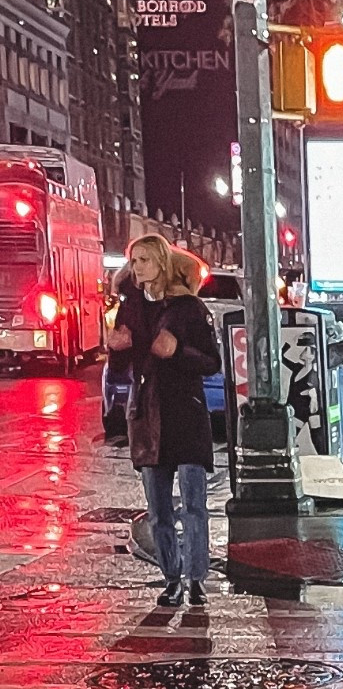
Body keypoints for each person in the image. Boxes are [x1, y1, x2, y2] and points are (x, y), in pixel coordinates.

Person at [106, 235, 220, 610]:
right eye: (134, 261)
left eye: (144, 260)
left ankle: (197, 580)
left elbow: (212, 362)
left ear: (161, 263)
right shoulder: (133, 307)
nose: (137, 268)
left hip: (185, 416)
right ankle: (172, 578)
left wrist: (178, 352)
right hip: (148, 418)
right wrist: (116, 348)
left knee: (193, 506)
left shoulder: (188, 308)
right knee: (159, 511)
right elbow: (121, 366)